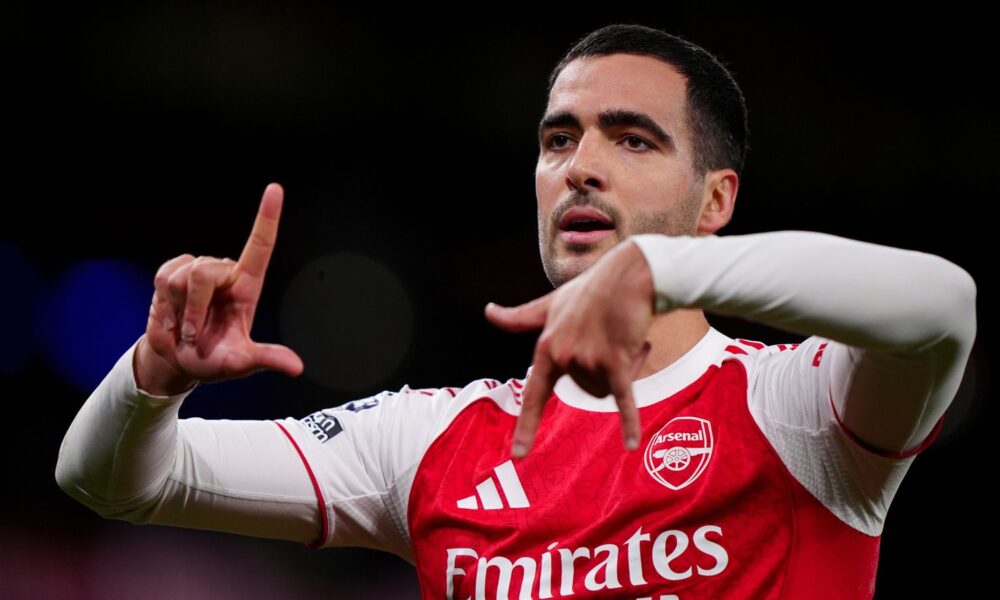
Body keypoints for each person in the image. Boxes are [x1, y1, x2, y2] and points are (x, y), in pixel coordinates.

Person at [55, 23, 977, 599]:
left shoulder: (794, 409)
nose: (581, 166)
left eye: (633, 140)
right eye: (559, 138)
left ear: (715, 200)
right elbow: (110, 480)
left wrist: (664, 269)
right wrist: (154, 376)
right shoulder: (429, 442)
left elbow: (943, 306)